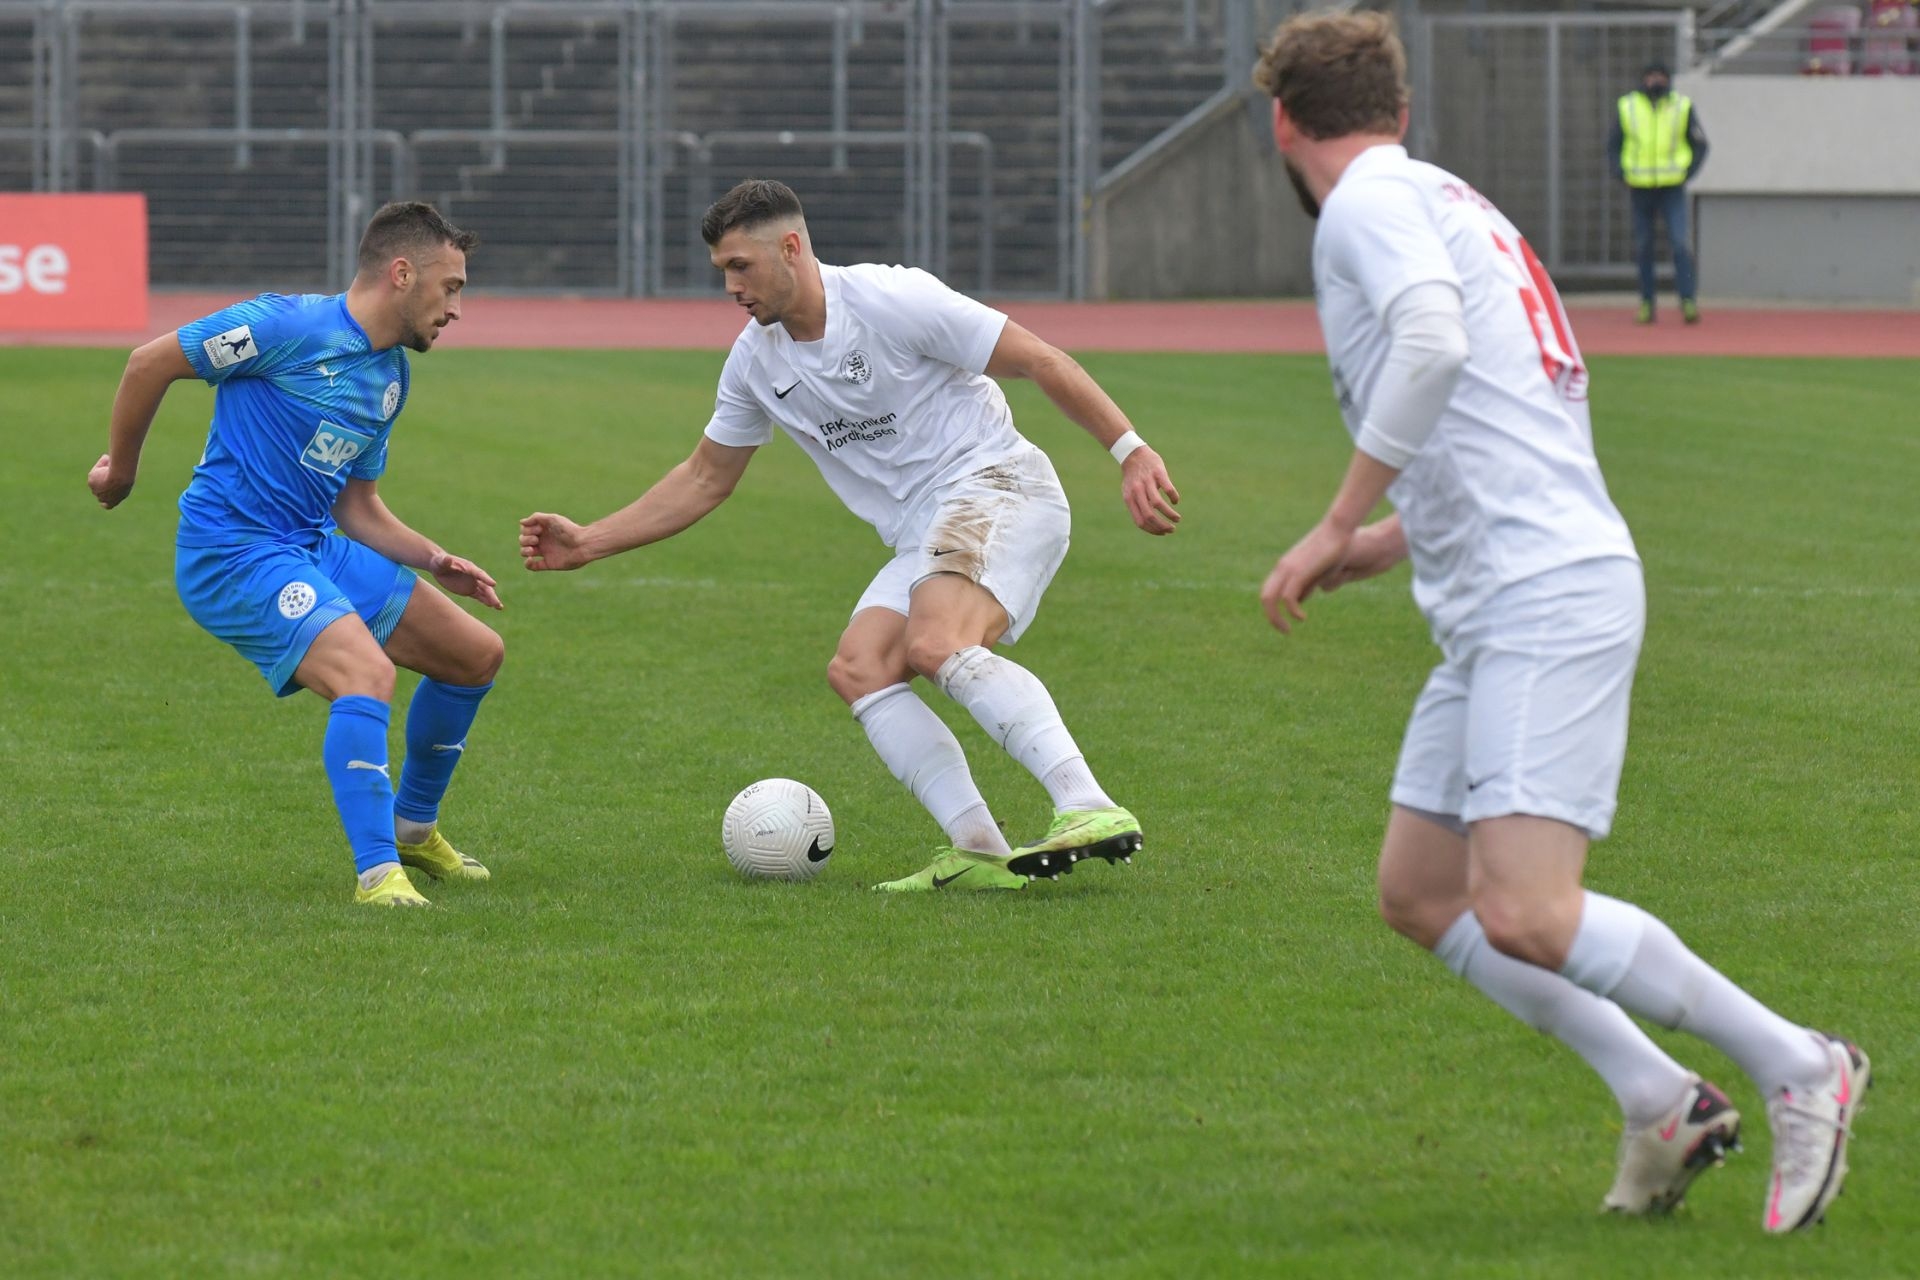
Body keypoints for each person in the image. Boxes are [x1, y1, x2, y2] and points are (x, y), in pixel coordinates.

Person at [1251, 11, 1865, 1232]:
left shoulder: (1370, 204)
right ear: (1402, 107)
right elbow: (1510, 415)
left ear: (1281, 123)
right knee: (1424, 891)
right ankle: (1659, 1094)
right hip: (1506, 591)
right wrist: (1391, 539)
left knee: (1529, 906)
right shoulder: (1445, 197)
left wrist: (1332, 519)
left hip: (1544, 593)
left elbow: (1431, 344)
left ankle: (1801, 1062)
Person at [518, 179, 1180, 892]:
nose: (731, 287)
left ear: (792, 248)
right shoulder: (754, 361)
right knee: (861, 668)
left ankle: (1087, 803)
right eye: (722, 273)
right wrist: (589, 542)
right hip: (923, 530)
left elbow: (1039, 359)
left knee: (936, 642)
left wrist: (1130, 450)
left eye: (741, 267)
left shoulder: (889, 300)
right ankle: (979, 849)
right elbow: (706, 477)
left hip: (997, 485)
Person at [87, 201, 504, 908]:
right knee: (365, 673)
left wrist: (434, 559)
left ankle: (412, 828)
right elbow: (149, 363)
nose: (458, 307)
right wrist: (122, 472)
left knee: (475, 654)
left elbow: (357, 506)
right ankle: (378, 875)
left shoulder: (390, 377)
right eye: (451, 287)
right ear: (402, 274)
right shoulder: (284, 326)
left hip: (313, 544)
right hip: (232, 553)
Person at [1607, 60, 1709, 325]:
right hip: (1640, 188)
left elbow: (1699, 144)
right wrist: (1621, 172)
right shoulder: (1628, 106)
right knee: (1643, 247)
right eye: (1651, 76)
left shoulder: (1680, 106)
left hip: (1671, 187)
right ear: (1643, 79)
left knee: (1679, 244)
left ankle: (1687, 300)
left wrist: (1687, 172)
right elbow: (1613, 145)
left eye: (1660, 76)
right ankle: (1646, 303)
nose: (1655, 81)